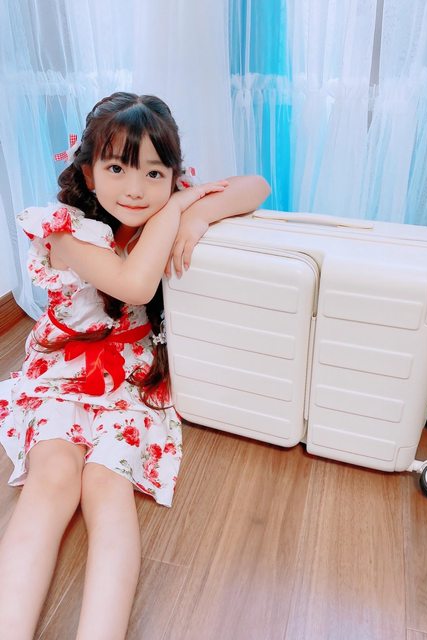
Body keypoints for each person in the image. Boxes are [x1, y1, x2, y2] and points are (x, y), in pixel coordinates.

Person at [0, 91, 270, 639]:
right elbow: (134, 284)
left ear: (173, 174)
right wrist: (176, 209)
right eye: (117, 168)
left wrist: (199, 212)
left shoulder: (160, 207)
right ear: (89, 173)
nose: (136, 188)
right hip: (64, 371)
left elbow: (257, 186)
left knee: (107, 485)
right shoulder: (65, 231)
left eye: (154, 173)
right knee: (53, 479)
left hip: (131, 375)